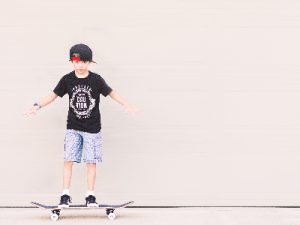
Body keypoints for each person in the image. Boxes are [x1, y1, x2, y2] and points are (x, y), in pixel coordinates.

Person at [24, 43, 139, 208]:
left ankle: (90, 196)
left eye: (84, 61)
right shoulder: (67, 79)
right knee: (68, 160)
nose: (80, 65)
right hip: (73, 128)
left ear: (90, 62)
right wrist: (37, 106)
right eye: (77, 61)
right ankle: (65, 195)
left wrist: (126, 105)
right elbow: (53, 95)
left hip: (92, 130)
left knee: (91, 162)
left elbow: (111, 92)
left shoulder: (96, 80)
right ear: (72, 61)